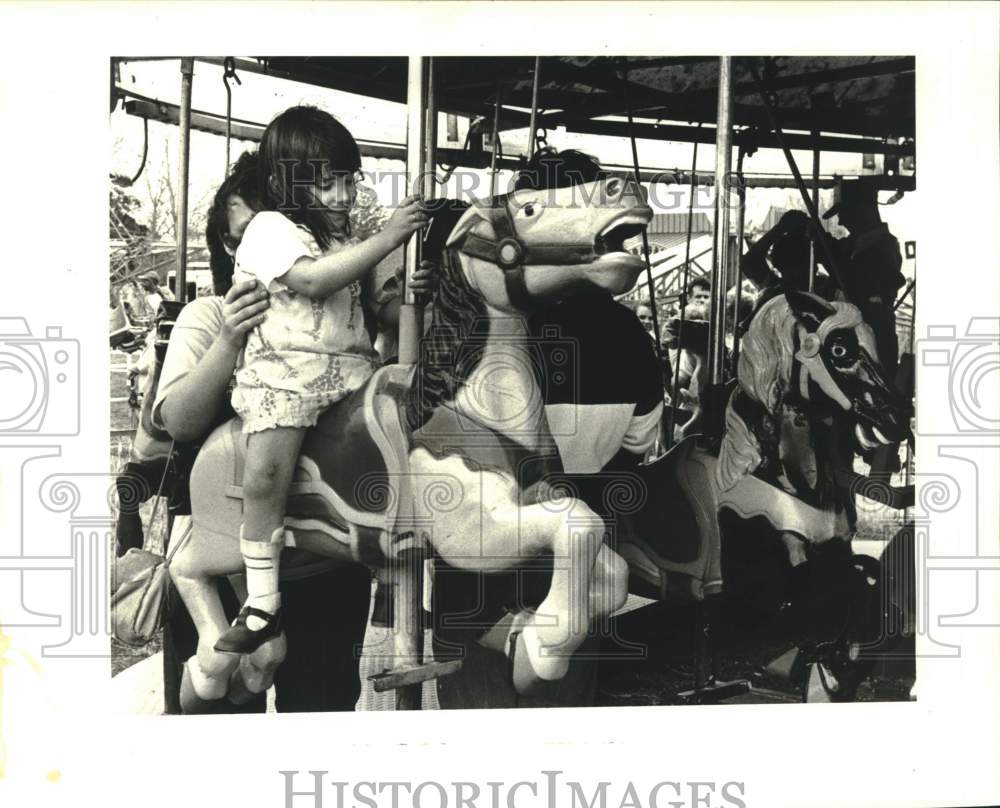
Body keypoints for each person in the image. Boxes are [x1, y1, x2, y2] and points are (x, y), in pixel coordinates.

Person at [154, 150, 435, 712]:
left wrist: (399, 305)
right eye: (242, 237)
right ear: (232, 249)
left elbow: (374, 386)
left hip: (321, 561)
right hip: (225, 545)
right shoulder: (207, 316)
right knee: (217, 716)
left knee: (322, 706)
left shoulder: (336, 301)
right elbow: (177, 423)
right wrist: (232, 339)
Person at [430, 147, 663, 708]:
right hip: (576, 569)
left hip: (475, 582)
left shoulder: (495, 328)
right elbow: (641, 445)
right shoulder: (632, 339)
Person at [212, 106, 429, 655]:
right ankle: (262, 603)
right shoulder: (269, 229)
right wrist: (387, 239)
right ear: (288, 183)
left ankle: (396, 562)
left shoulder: (342, 238)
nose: (341, 195)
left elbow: (374, 305)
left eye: (347, 181)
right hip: (287, 380)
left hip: (351, 377)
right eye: (326, 184)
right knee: (266, 477)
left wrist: (406, 290)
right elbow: (310, 282)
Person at [816, 177, 905, 378]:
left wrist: (822, 243)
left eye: (844, 213)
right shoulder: (853, 245)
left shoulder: (885, 248)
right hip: (850, 343)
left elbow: (854, 279)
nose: (840, 221)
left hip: (874, 344)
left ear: (863, 212)